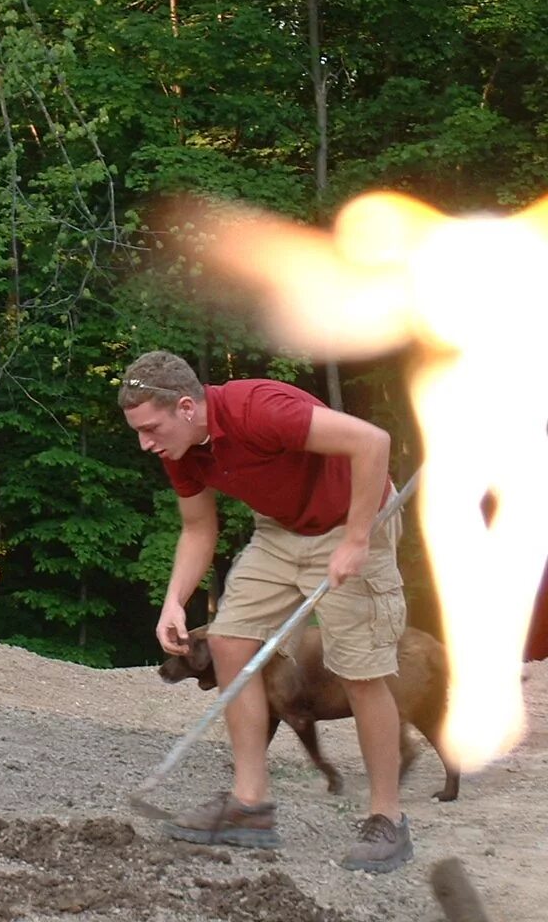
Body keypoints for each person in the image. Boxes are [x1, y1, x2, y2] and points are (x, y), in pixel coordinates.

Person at [118, 350, 412, 873]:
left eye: (150, 428)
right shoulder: (180, 449)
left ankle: (387, 820)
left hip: (353, 519)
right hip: (282, 531)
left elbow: (373, 442)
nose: (145, 443)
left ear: (186, 406)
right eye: (138, 431)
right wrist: (173, 600)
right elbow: (197, 528)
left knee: (359, 670)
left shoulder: (260, 409)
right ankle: (250, 804)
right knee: (228, 641)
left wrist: (358, 536)